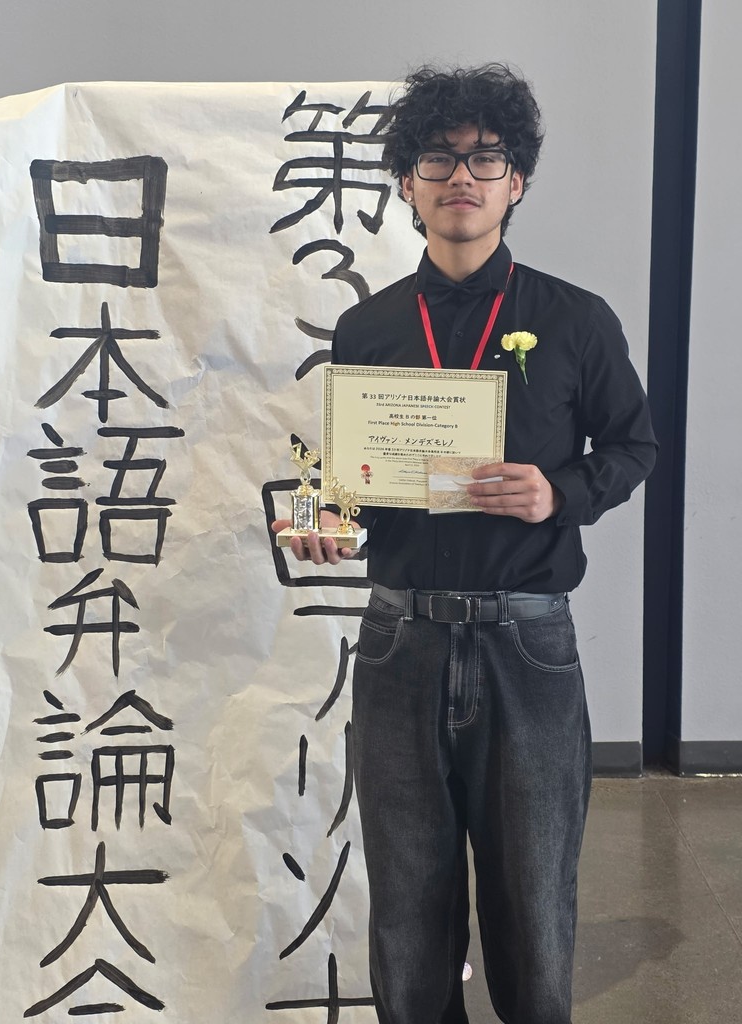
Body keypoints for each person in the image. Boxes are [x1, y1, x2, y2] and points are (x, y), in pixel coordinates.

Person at [273, 64, 657, 1024]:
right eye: (440, 156)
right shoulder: (368, 327)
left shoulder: (573, 319)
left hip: (528, 642)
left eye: (486, 158)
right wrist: (323, 519)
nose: (463, 176)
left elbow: (634, 445)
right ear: (407, 182)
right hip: (401, 642)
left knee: (533, 897)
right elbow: (349, 479)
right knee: (408, 900)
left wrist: (556, 491)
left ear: (516, 182)